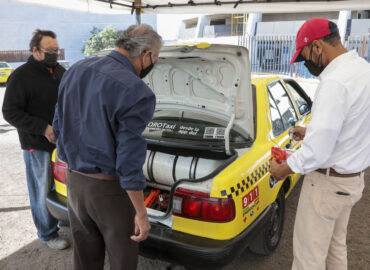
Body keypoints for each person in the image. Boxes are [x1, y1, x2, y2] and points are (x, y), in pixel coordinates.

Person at [53, 24, 162, 270]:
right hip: (110, 191)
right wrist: (141, 213)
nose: (154, 63)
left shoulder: (76, 69)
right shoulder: (136, 91)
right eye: (155, 58)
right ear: (146, 54)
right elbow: (128, 161)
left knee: (84, 257)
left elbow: (58, 125)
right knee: (122, 259)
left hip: (75, 183)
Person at [270, 17, 370, 270]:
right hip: (351, 181)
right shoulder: (363, 70)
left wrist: (284, 169)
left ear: (317, 47)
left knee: (308, 259)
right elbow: (352, 124)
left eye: (304, 57)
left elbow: (317, 151)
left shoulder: (334, 81)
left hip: (326, 185)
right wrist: (312, 131)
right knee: (336, 248)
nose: (305, 65)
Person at [2, 29, 69, 250]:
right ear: (35, 50)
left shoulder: (59, 71)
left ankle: (60, 218)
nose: (55, 54)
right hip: (36, 144)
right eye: (50, 50)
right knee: (41, 189)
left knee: (61, 186)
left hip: (61, 143)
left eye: (56, 50)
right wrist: (43, 128)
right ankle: (47, 233)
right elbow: (10, 112)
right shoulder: (21, 76)